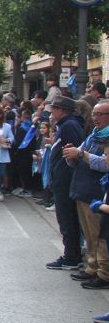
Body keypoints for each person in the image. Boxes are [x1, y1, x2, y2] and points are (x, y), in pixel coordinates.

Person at [61, 99, 109, 289]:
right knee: (89, 234)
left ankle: (103, 272)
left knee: (99, 234)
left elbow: (105, 164)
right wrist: (71, 155)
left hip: (96, 191)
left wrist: (81, 155)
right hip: (83, 187)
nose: (95, 117)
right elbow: (79, 153)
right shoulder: (94, 135)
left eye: (100, 114)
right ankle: (92, 267)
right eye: (94, 114)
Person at [45, 96, 86, 270]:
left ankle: (72, 256)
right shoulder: (65, 125)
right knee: (66, 219)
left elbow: (73, 153)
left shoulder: (69, 126)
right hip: (61, 180)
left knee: (67, 218)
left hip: (66, 181)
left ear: (62, 110)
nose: (51, 112)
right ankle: (71, 253)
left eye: (53, 108)